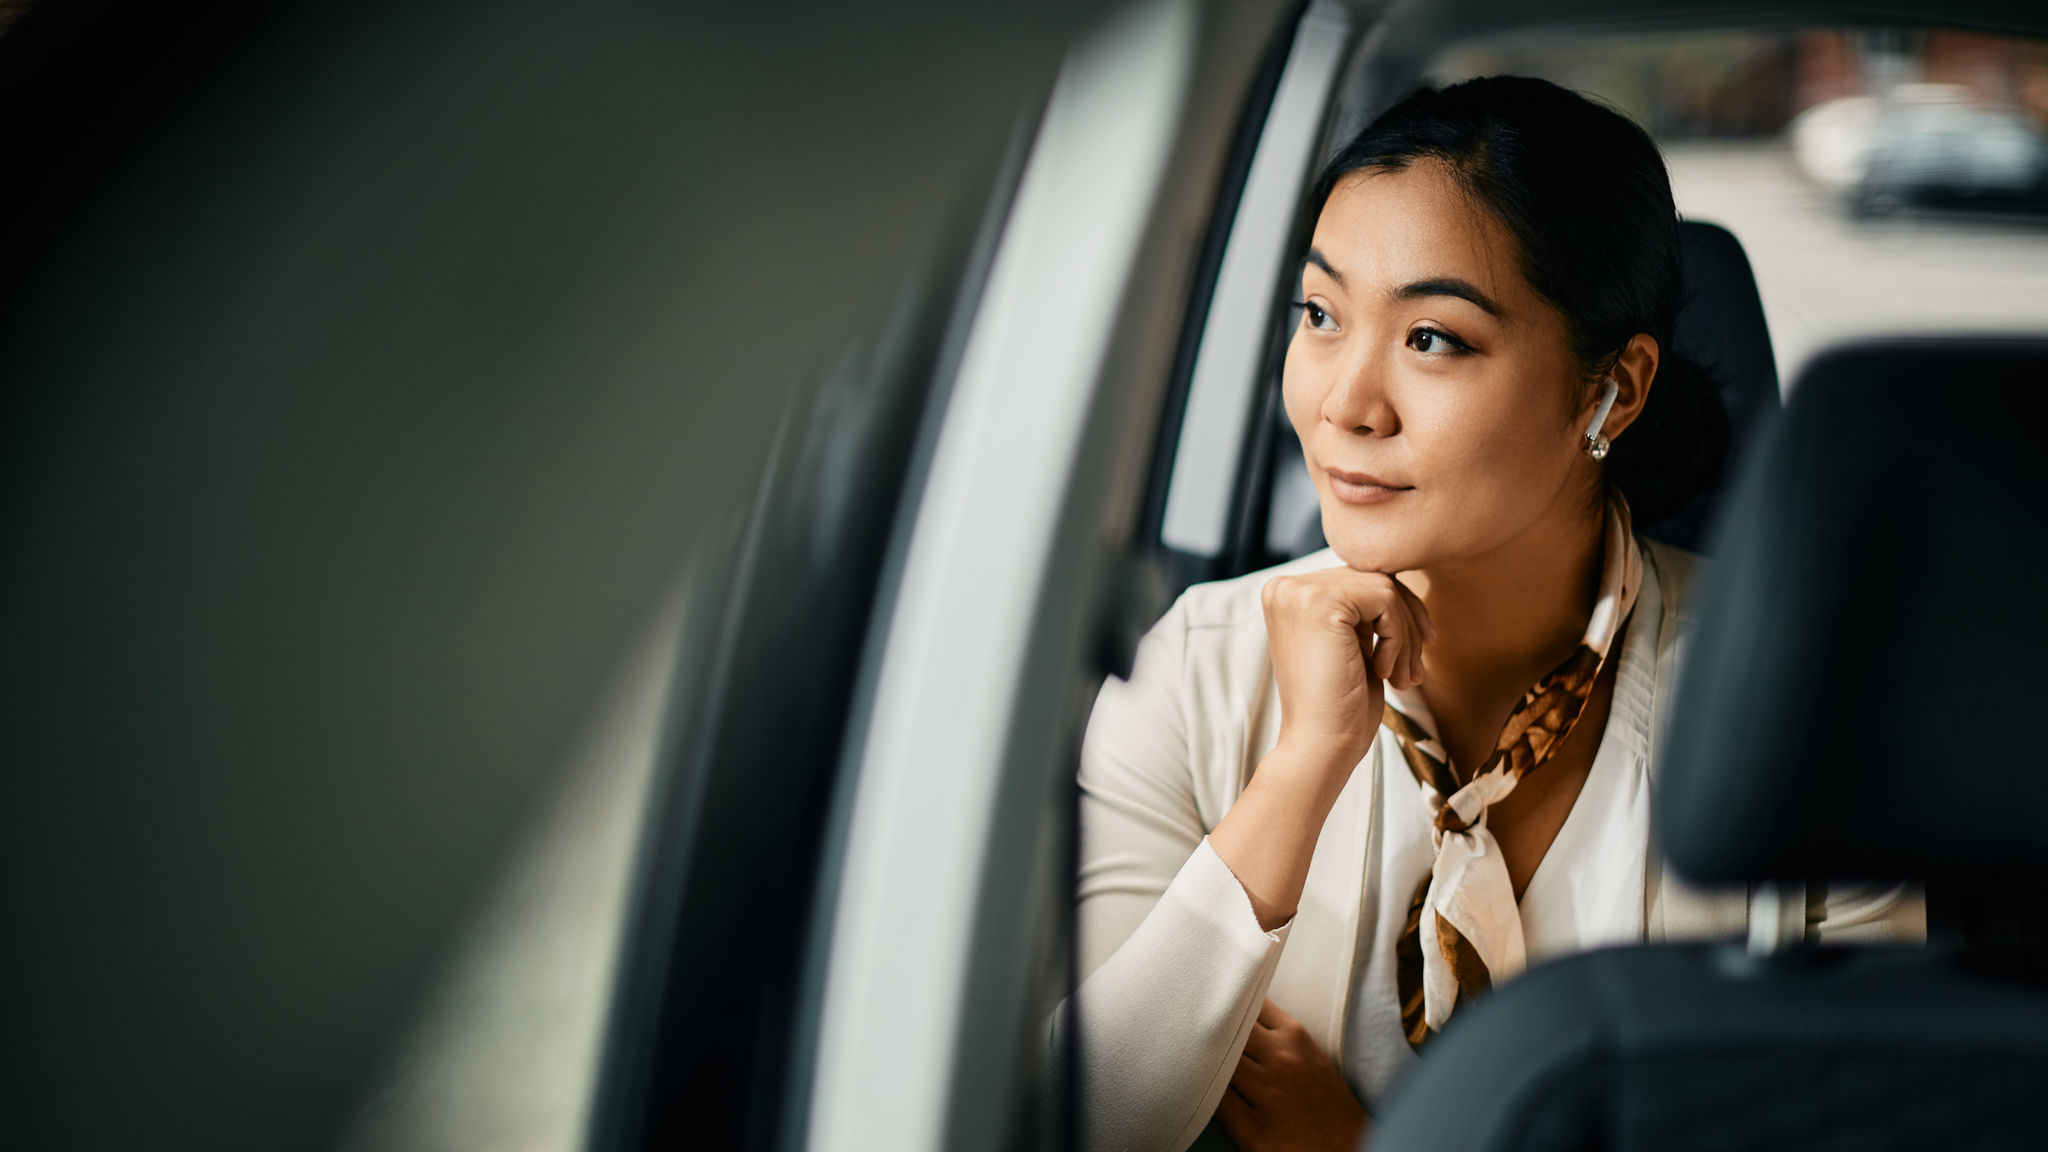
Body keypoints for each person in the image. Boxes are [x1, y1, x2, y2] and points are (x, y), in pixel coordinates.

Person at [1053, 76, 1923, 1152]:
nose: (1342, 404)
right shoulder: (1192, 671)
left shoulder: (1794, 710)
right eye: (1319, 316)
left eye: (1431, 338)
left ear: (1612, 389)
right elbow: (1075, 1126)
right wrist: (1298, 770)